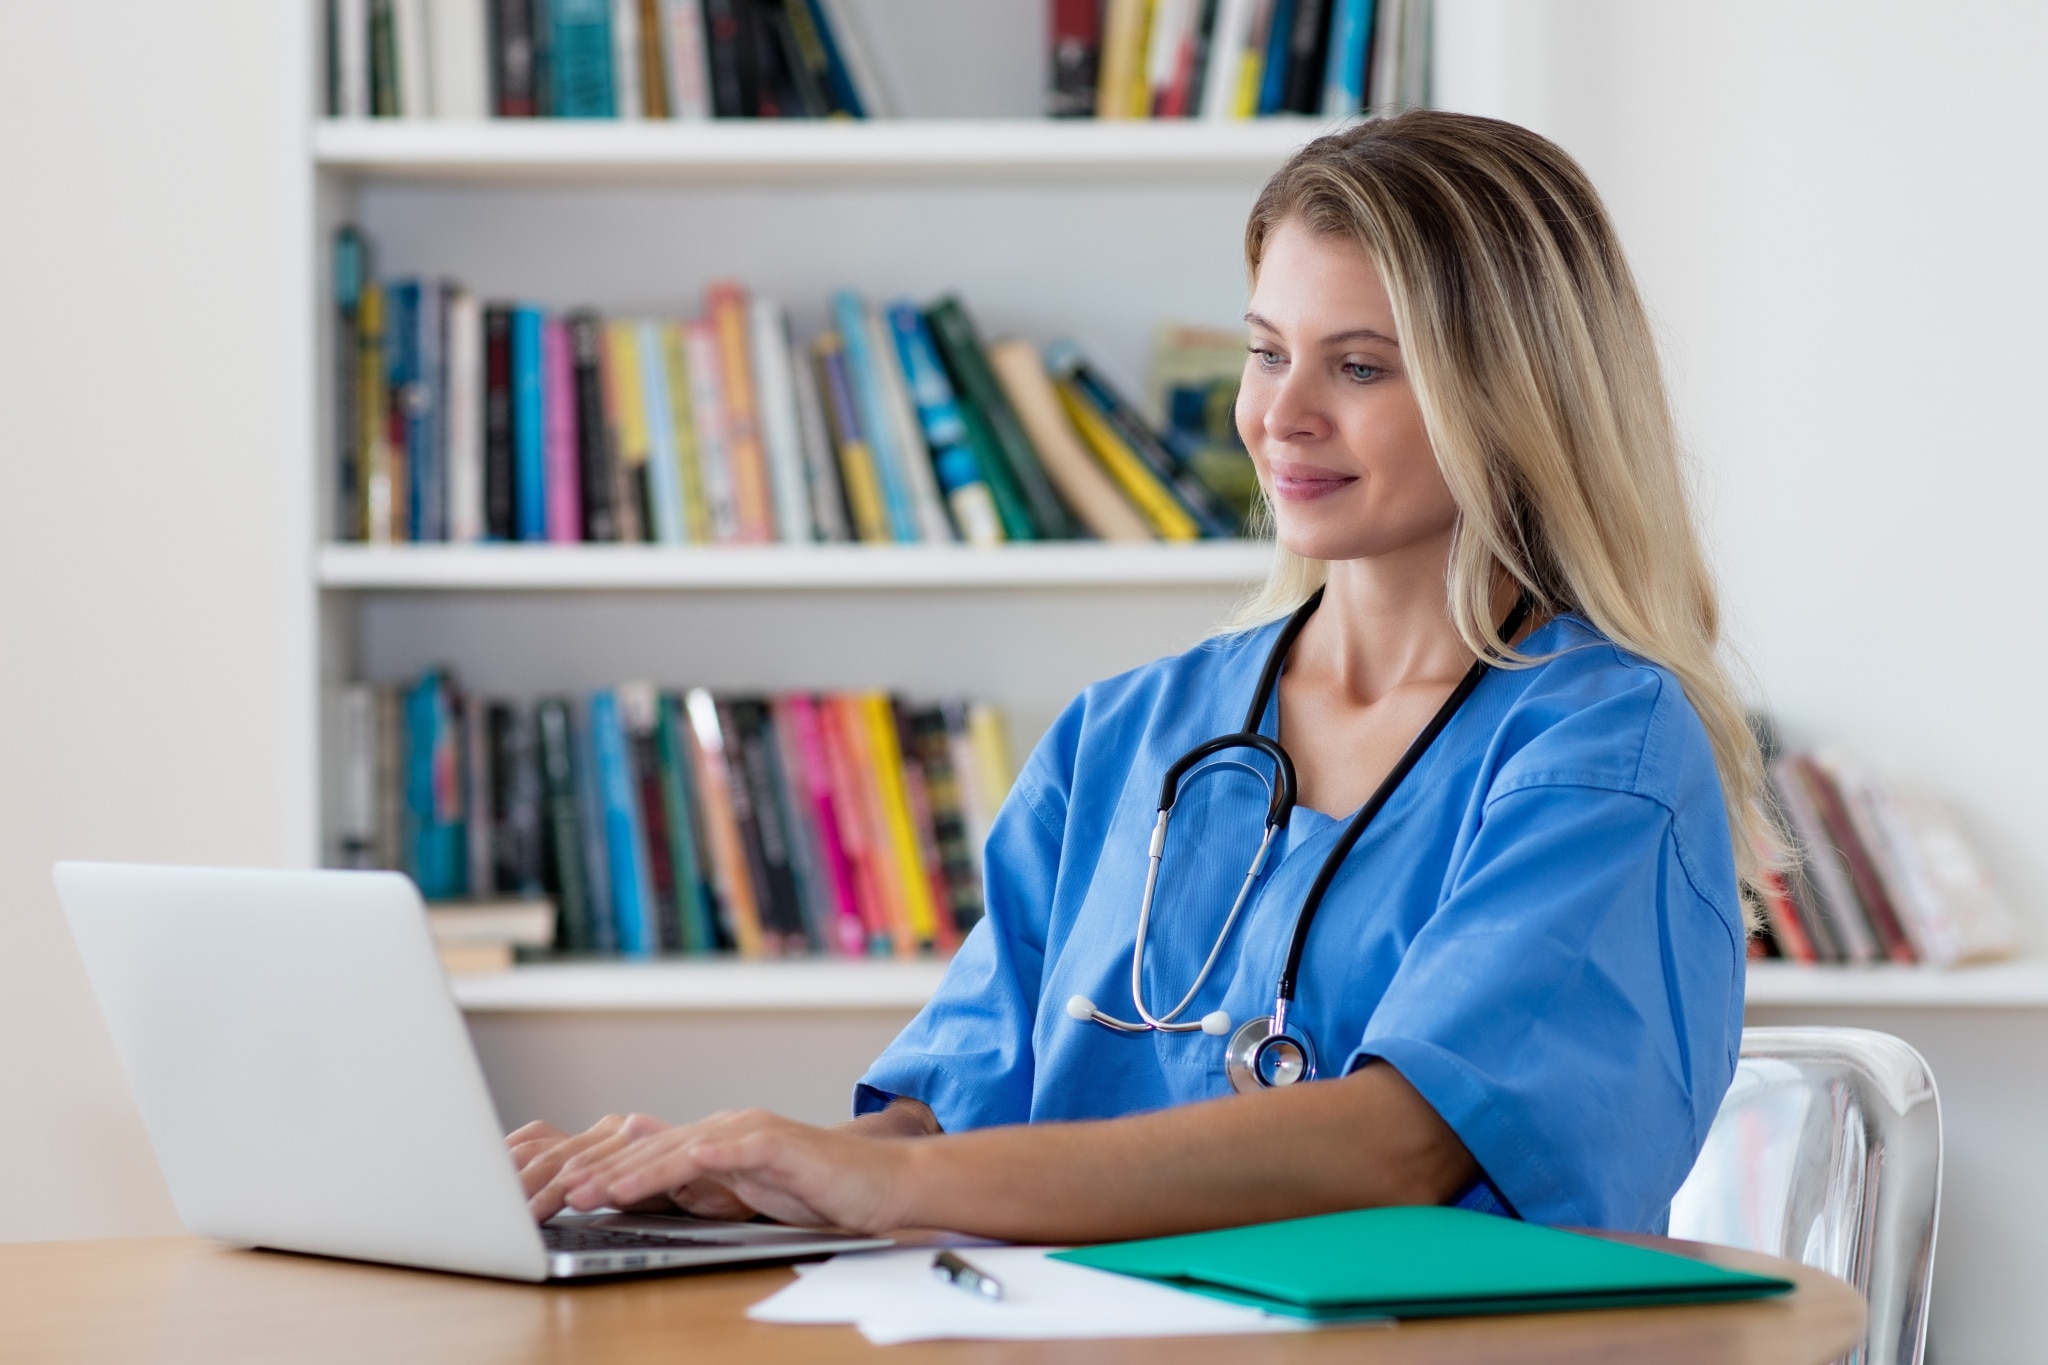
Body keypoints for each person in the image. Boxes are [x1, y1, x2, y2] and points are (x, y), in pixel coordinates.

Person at [511, 110, 1766, 1245]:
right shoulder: (1127, 733)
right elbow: (943, 1122)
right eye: (1268, 352)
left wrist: (883, 1189)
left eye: (1361, 366)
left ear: (1512, 398)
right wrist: (743, 1172)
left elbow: (1400, 1142)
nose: (1283, 416)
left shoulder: (1604, 746)